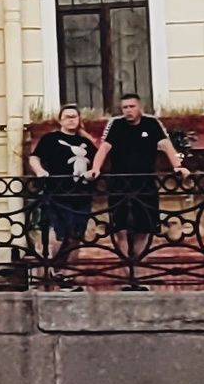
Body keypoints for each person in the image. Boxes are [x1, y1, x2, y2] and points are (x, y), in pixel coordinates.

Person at [93, 93, 187, 247]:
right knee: (119, 228)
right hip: (119, 183)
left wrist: (178, 166)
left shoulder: (152, 123)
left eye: (132, 106)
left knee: (145, 227)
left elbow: (166, 145)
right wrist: (95, 168)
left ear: (140, 107)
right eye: (125, 107)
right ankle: (126, 267)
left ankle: (138, 265)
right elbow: (104, 148)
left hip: (145, 182)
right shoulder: (115, 124)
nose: (128, 110)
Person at [28, 106, 98, 269]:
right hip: (58, 193)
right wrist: (40, 171)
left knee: (76, 235)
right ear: (60, 120)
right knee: (61, 234)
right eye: (67, 117)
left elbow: (98, 161)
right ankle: (58, 270)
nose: (71, 119)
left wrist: (92, 173)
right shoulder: (50, 139)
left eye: (74, 116)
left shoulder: (85, 142)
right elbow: (34, 158)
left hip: (82, 194)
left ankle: (69, 273)